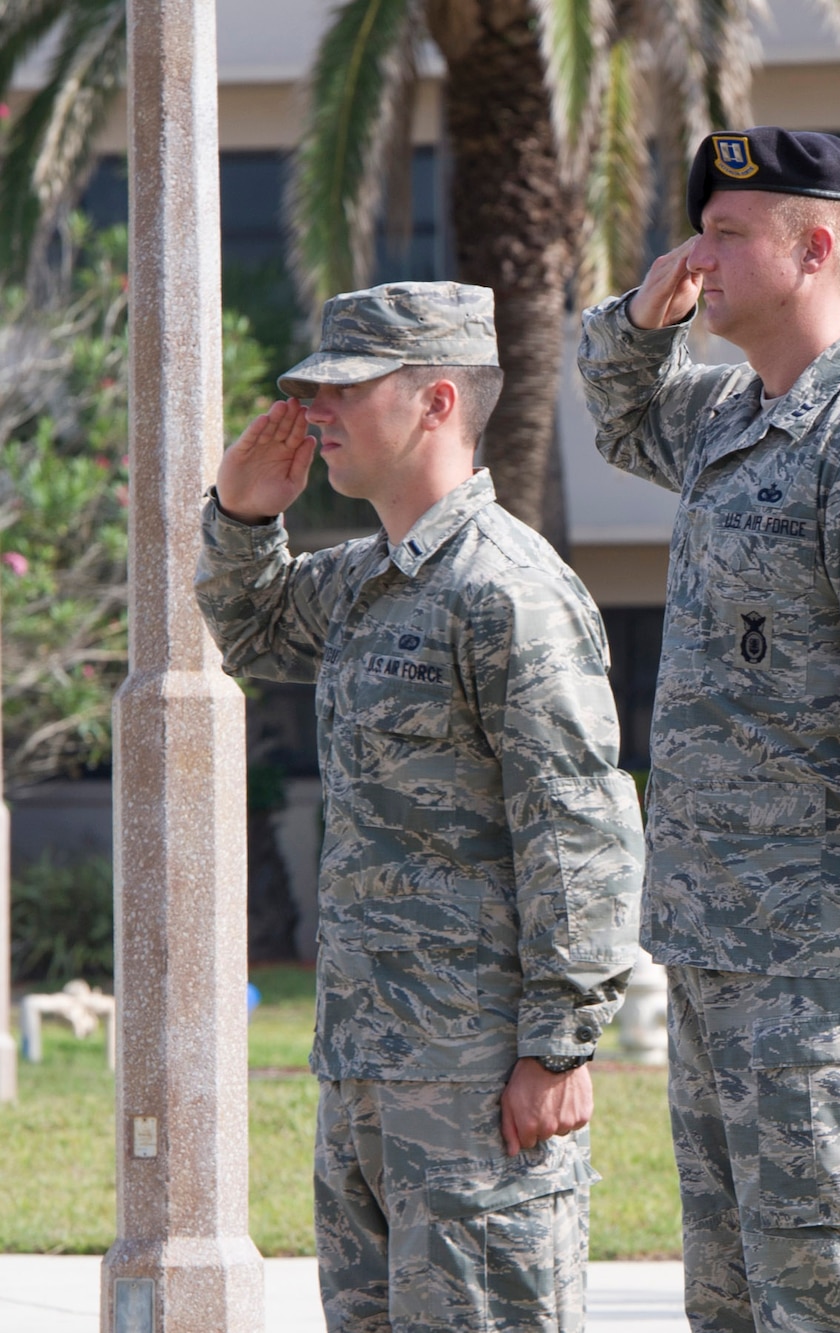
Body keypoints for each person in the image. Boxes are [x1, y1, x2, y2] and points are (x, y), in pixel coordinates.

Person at [575, 126, 840, 1332]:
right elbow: (618, 413)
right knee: (732, 1299)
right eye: (697, 229)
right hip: (717, 939)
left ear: (816, 249)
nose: (695, 256)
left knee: (833, 1290)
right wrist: (642, 314)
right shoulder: (727, 419)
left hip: (823, 960)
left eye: (724, 234)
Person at [195, 280, 645, 1331]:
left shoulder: (506, 591)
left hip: (478, 1074)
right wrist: (242, 515)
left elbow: (576, 827)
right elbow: (253, 630)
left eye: (347, 390)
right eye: (313, 392)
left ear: (438, 401)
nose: (318, 412)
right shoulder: (365, 579)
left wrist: (558, 1043)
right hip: (368, 1065)